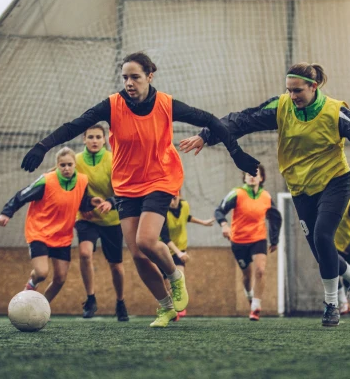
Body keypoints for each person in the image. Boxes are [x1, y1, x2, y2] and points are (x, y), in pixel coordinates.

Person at [20, 52, 259, 328]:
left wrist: (236, 152)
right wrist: (42, 146)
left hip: (161, 178)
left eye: (135, 77)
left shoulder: (166, 104)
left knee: (146, 241)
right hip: (126, 185)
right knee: (137, 254)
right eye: (125, 78)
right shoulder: (112, 105)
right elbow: (75, 126)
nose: (129, 83)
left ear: (149, 76)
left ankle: (175, 277)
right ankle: (167, 307)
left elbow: (210, 119)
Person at [180, 62, 350, 326]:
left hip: (334, 181)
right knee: (320, 250)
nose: (292, 96)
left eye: (298, 90)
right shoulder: (281, 107)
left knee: (323, 235)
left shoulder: (335, 112)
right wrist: (206, 135)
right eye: (289, 90)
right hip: (301, 187)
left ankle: (331, 305)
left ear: (314, 87)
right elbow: (241, 120)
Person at [0, 147, 106, 303]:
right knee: (41, 273)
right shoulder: (46, 180)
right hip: (39, 232)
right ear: (57, 165)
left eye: (69, 164)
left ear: (75, 164)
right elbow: (22, 195)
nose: (66, 168)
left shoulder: (82, 181)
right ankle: (29, 288)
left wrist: (90, 202)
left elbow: (80, 203)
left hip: (62, 236)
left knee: (60, 278)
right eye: (63, 165)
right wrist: (6, 212)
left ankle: (41, 307)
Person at [74, 124, 128, 321]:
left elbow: (123, 187)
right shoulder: (76, 160)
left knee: (116, 265)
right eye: (91, 137)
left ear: (104, 139)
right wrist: (84, 205)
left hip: (111, 219)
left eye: (98, 137)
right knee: (85, 253)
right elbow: (71, 186)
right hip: (86, 217)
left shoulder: (113, 159)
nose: (94, 140)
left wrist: (111, 202)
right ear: (84, 139)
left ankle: (120, 302)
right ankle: (90, 299)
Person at [214, 166, 282, 321]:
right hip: (238, 240)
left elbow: (275, 218)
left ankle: (256, 307)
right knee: (247, 274)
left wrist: (274, 239)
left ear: (261, 178)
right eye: (248, 173)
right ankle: (250, 295)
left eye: (255, 174)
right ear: (244, 177)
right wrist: (224, 225)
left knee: (260, 270)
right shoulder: (237, 193)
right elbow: (219, 210)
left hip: (258, 238)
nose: (252, 176)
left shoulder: (266, 196)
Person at [159, 191, 215, 319]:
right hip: (164, 251)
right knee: (168, 285)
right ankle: (170, 309)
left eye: (174, 198)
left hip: (180, 248)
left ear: (179, 196)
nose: (172, 202)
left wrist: (203, 222)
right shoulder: (162, 213)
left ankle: (179, 308)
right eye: (169, 199)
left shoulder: (184, 205)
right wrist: (178, 253)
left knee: (179, 278)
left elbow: (187, 217)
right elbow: (165, 238)